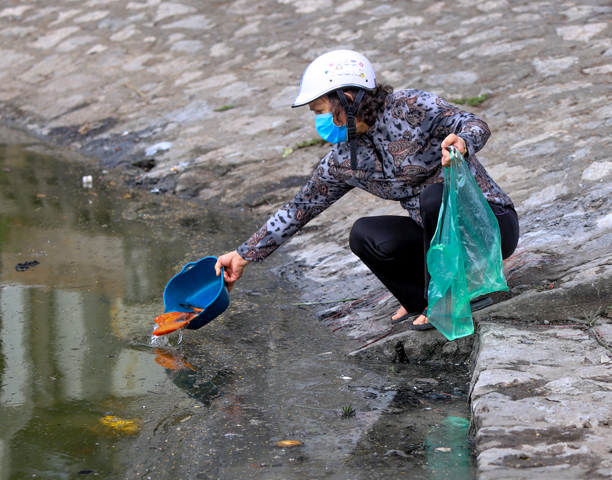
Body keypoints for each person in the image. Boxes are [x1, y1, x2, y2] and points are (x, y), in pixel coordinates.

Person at [215, 50, 519, 330]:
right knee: (364, 233)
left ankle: (452, 297)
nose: (320, 121)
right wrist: (243, 255)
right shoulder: (343, 158)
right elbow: (299, 208)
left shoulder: (410, 107)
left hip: (488, 226)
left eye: (320, 110)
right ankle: (421, 300)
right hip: (435, 236)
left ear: (346, 98)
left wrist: (463, 143)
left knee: (433, 196)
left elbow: (474, 122)